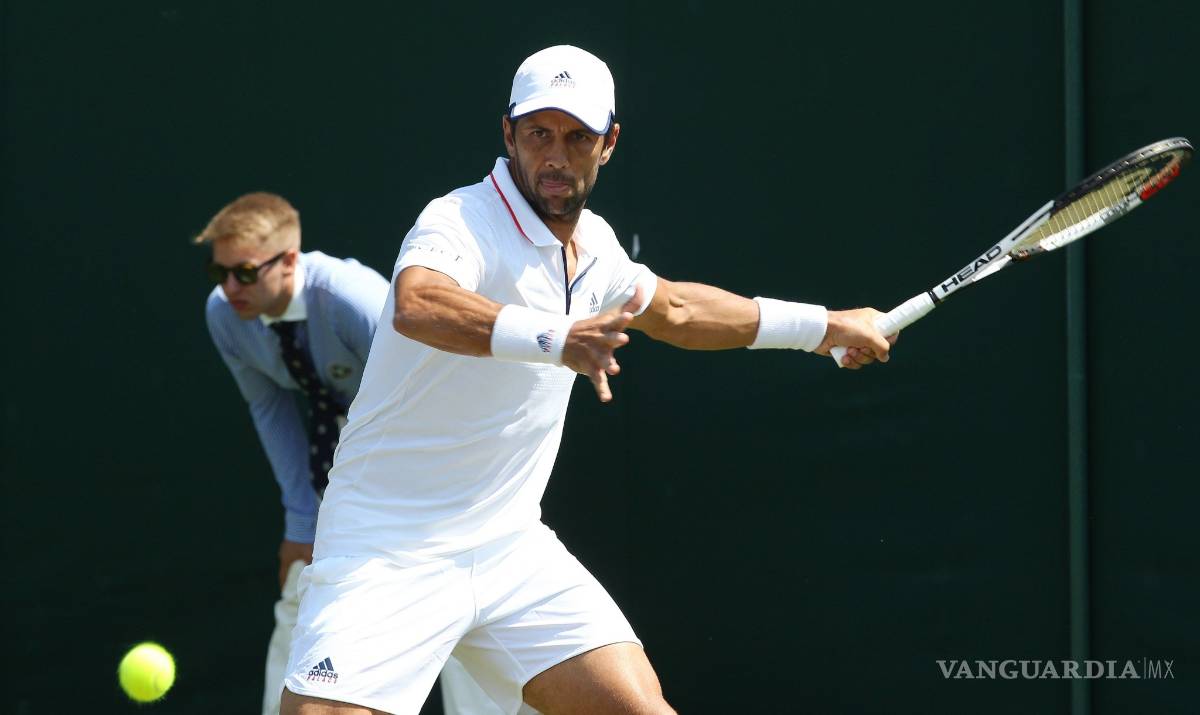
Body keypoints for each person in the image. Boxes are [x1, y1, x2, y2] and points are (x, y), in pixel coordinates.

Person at [280, 45, 894, 715]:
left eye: (577, 137)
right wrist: (557, 337)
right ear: (508, 133)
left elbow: (677, 310)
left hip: (509, 547)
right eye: (538, 133)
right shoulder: (457, 220)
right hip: (387, 546)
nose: (556, 155)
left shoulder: (597, 246)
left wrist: (823, 326)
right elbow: (418, 304)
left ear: (609, 143)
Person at [197, 192, 504, 715]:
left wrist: (428, 502)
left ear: (288, 260)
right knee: (301, 592)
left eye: (244, 273)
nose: (230, 288)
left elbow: (428, 393)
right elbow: (271, 412)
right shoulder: (225, 315)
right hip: (349, 462)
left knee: (455, 600)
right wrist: (302, 521)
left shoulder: (350, 299)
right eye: (219, 272)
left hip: (433, 457)